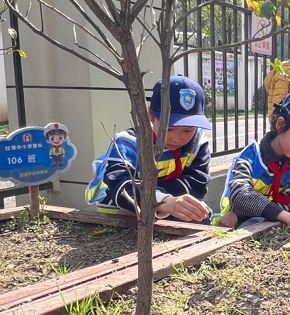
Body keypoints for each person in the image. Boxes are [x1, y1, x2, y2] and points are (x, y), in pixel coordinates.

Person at [86, 75, 213, 222]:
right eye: (169, 129)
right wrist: (163, 201)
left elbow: (198, 183)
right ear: (150, 115)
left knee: (202, 216)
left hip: (170, 204)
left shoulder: (197, 141)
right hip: (122, 208)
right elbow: (121, 186)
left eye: (187, 130)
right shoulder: (128, 143)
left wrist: (167, 202)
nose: (177, 138)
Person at [217, 89, 290, 233]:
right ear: (280, 124)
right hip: (231, 226)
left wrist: (240, 214)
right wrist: (283, 216)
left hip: (257, 224)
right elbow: (240, 195)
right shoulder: (251, 157)